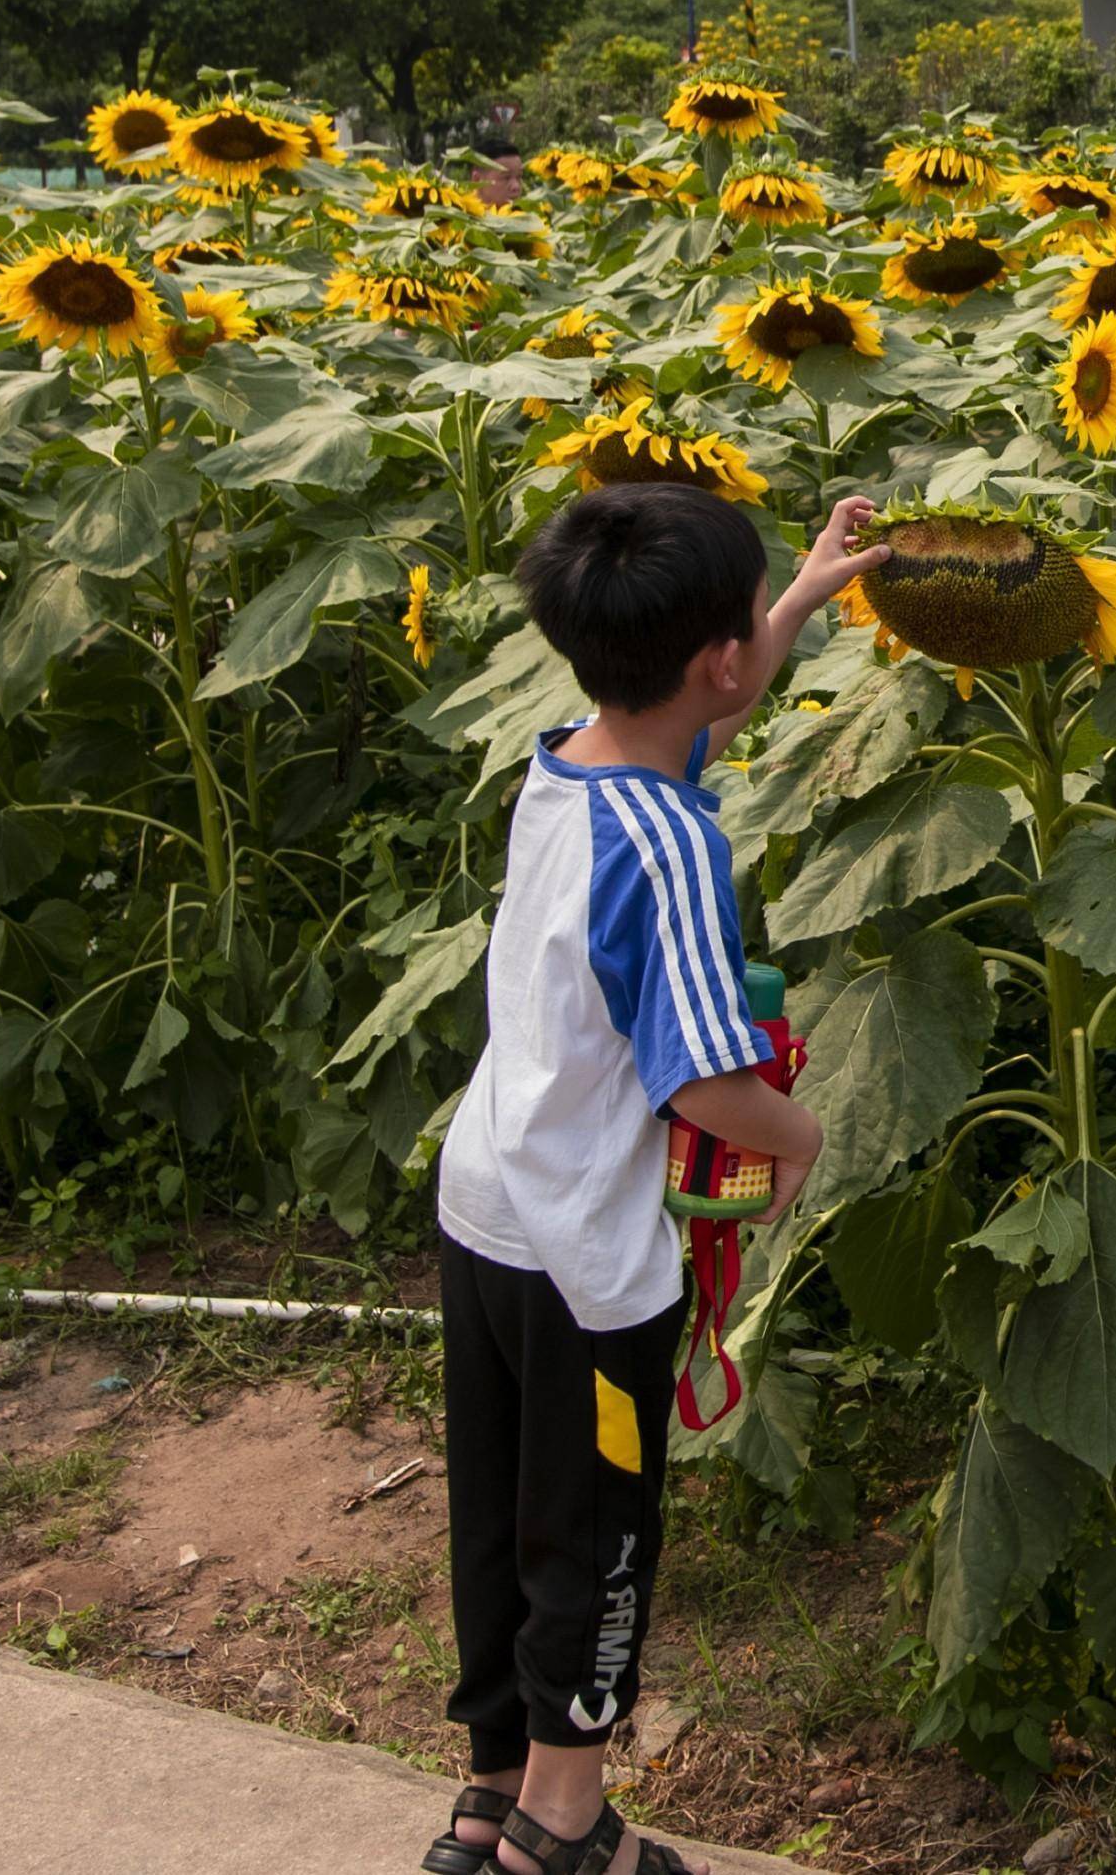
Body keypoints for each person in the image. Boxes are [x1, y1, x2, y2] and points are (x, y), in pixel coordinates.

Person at [423, 483, 878, 1875]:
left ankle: (492, 1787)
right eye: (754, 621)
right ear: (715, 659)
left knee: (501, 1512)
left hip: (487, 1203)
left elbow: (696, 723)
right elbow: (700, 1082)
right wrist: (804, 1139)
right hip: (588, 1255)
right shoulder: (674, 846)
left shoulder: (566, 760)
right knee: (600, 1534)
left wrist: (792, 601)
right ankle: (566, 1828)